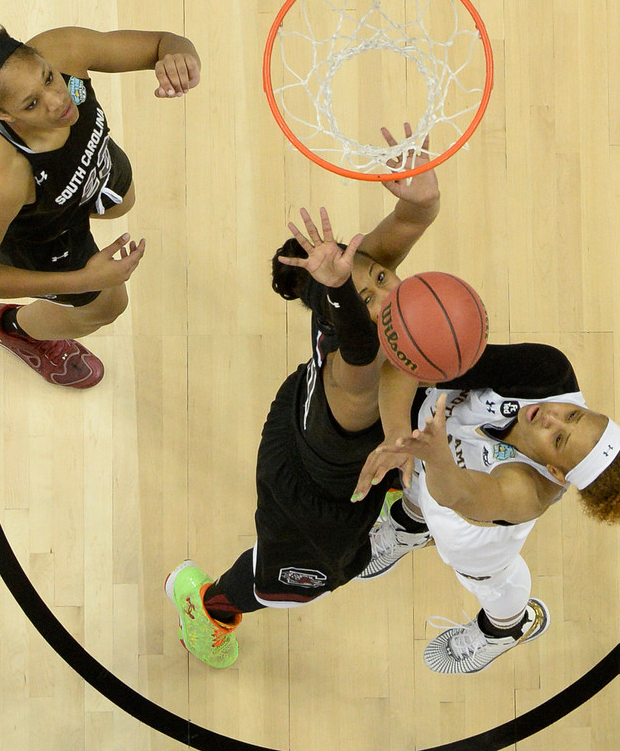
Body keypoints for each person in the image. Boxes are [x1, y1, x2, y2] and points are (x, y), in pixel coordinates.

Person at [164, 138, 441, 668]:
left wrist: (421, 201)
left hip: (307, 423)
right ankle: (208, 608)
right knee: (301, 581)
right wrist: (343, 292)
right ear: (342, 311)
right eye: (364, 299)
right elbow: (361, 351)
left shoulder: (367, 306)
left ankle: (396, 492)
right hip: (317, 496)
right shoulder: (354, 369)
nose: (385, 294)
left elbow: (403, 229)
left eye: (381, 277)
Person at [351, 342, 620, 675]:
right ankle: (408, 529)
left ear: (556, 473)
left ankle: (504, 628)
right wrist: (399, 434)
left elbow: (457, 494)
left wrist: (437, 456)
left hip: (470, 528)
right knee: (413, 473)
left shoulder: (527, 493)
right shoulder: (546, 372)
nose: (551, 418)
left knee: (488, 581)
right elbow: (414, 361)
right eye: (573, 415)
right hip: (431, 456)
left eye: (558, 440)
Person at [0, 24, 200, 388]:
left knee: (122, 201)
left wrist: (180, 56)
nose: (58, 101)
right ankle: (15, 329)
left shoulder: (62, 48)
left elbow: (163, 43)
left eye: (49, 78)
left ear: (43, 58)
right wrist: (83, 280)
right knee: (108, 305)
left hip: (90, 172)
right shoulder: (1, 177)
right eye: (31, 104)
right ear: (3, 116)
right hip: (36, 232)